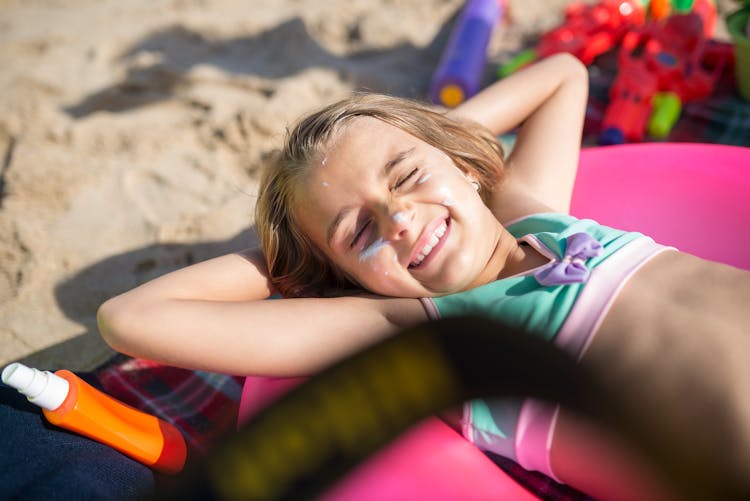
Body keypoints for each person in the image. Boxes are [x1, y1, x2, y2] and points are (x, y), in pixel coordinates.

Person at [97, 54, 750, 500]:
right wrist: (296, 259)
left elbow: (563, 73)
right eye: (359, 232)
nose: (400, 219)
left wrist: (442, 140)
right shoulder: (414, 328)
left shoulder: (535, 214)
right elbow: (130, 319)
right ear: (348, 276)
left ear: (464, 164)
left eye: (407, 175)